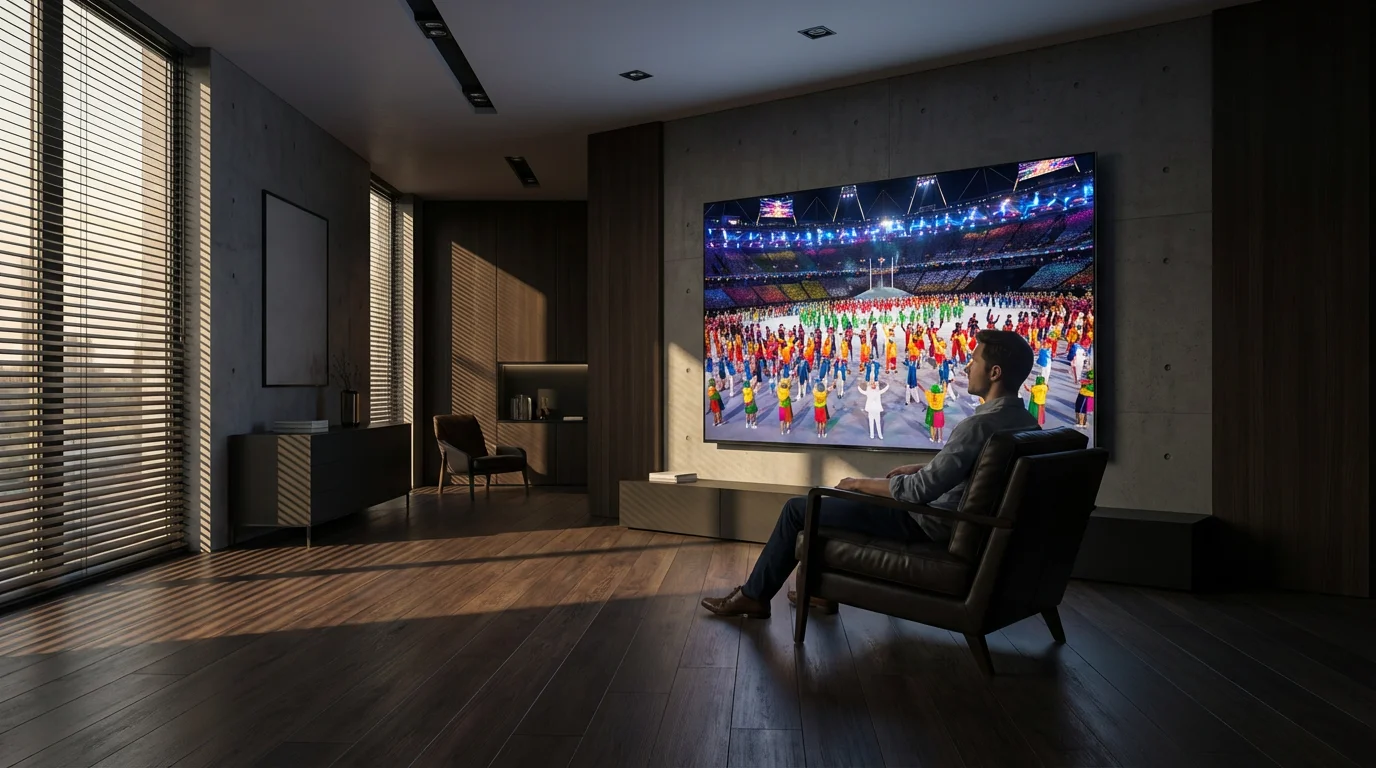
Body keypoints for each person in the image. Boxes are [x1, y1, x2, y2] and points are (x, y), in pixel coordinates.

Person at [701, 331, 1039, 618]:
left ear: (994, 372)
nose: (966, 366)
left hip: (927, 521)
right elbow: (981, 470)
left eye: (974, 360)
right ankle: (818, 590)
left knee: (799, 508)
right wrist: (922, 467)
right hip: (962, 522)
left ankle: (755, 595)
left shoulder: (978, 425)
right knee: (850, 502)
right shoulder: (1027, 423)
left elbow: (918, 492)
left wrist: (858, 482)